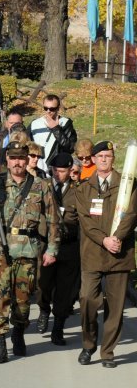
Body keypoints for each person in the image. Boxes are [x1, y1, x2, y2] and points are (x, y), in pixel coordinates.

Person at [0, 141, 59, 364]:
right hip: (0, 247)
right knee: (0, 298)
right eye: (13, 158)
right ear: (6, 159)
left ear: (27, 160)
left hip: (27, 249)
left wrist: (52, 249)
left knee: (23, 301)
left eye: (21, 158)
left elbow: (54, 219)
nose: (17, 162)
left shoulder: (41, 185)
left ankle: (18, 331)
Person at [75, 141, 137, 368]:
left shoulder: (128, 185)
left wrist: (116, 238)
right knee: (88, 300)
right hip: (93, 253)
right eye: (100, 155)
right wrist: (104, 239)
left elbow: (131, 214)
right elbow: (85, 220)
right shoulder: (84, 188)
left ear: (114, 158)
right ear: (92, 158)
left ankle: (108, 352)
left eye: (108, 155)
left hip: (119, 254)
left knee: (116, 306)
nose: (104, 159)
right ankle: (89, 343)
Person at [35, 152, 80, 346]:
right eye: (54, 170)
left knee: (64, 289)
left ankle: (58, 327)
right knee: (43, 283)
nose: (57, 174)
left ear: (70, 171)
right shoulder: (43, 187)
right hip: (46, 244)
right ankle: (44, 308)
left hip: (68, 246)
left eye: (61, 171)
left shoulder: (78, 191)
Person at [28, 94, 77, 172]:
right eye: (46, 108)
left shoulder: (65, 123)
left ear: (58, 108)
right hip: (36, 170)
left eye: (52, 109)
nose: (48, 111)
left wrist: (56, 129)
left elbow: (70, 148)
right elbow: (27, 147)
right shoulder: (34, 124)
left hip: (56, 169)